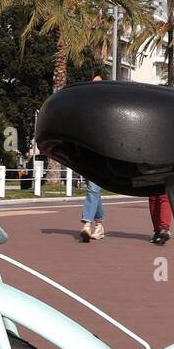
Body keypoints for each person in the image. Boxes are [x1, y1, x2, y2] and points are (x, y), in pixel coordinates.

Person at [79, 75, 106, 242]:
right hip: (87, 153)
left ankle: (87, 224)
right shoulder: (87, 107)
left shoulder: (106, 107)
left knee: (93, 189)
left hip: (101, 154)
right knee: (94, 190)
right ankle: (100, 225)